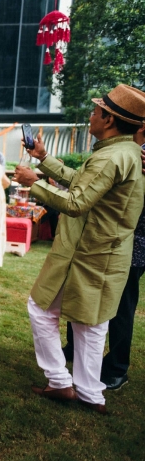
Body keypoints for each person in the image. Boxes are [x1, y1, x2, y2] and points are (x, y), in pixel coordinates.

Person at [13, 84, 145, 415]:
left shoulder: (112, 156)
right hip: (105, 254)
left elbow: (76, 202)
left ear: (110, 120)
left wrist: (34, 183)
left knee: (40, 310)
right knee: (91, 325)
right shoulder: (123, 152)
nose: (91, 115)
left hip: (87, 255)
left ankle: (60, 381)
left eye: (96, 111)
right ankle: (90, 393)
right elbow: (81, 181)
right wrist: (44, 159)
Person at [63, 128, 145, 391]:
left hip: (133, 242)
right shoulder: (117, 150)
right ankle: (74, 347)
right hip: (101, 238)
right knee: (80, 292)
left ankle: (117, 368)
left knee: (120, 306)